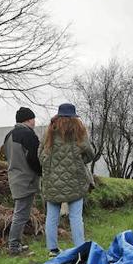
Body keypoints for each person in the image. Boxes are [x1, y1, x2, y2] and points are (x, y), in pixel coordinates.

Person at [39, 102, 96, 256]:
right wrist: (78, 161)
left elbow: (40, 154)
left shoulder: (49, 131)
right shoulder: (79, 131)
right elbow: (90, 154)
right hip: (75, 180)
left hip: (52, 181)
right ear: (74, 116)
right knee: (76, 216)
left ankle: (52, 250)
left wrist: (49, 167)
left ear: (58, 115)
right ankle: (80, 250)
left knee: (52, 216)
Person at [2, 106, 41, 255]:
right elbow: (34, 158)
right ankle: (14, 247)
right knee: (21, 214)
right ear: (29, 119)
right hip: (27, 179)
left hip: (14, 177)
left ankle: (15, 244)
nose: (34, 122)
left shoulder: (9, 135)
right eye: (33, 119)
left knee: (20, 213)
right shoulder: (28, 135)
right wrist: (41, 172)